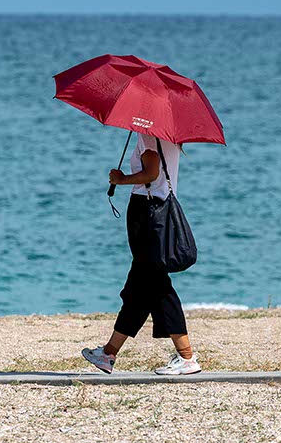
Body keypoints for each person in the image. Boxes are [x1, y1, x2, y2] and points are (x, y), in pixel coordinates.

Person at [81, 132, 201, 375]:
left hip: (146, 213)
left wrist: (121, 179)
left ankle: (186, 357)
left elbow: (151, 174)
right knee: (139, 287)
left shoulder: (148, 135)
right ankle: (108, 353)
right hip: (157, 210)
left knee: (155, 284)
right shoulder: (171, 137)